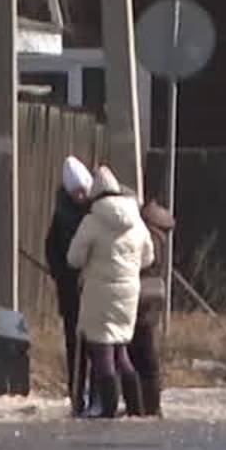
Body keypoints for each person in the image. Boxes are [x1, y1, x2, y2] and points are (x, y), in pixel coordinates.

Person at [65, 165, 152, 419]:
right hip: (128, 292)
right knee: (121, 350)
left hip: (99, 291)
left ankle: (109, 408)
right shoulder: (135, 219)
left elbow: (74, 258)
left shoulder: (92, 221)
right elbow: (148, 257)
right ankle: (136, 407)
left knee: (103, 351)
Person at [43, 157, 95, 408]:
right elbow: (51, 249)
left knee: (97, 343)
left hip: (95, 287)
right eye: (76, 192)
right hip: (71, 288)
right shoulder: (61, 216)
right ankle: (76, 395)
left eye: (83, 191)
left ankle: (97, 395)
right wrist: (60, 272)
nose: (80, 196)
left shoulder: (96, 211)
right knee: (75, 344)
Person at [125, 196, 176, 418]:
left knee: (142, 355)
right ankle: (149, 404)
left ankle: (145, 405)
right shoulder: (160, 239)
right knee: (146, 354)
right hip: (153, 300)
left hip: (140, 299)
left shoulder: (148, 239)